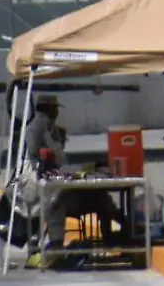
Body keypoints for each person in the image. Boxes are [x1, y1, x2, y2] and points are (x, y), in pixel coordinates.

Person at [23, 95, 124, 256]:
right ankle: (59, 244)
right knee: (69, 201)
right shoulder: (38, 128)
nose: (57, 112)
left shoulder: (47, 126)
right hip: (55, 196)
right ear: (47, 108)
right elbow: (43, 159)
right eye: (55, 108)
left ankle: (118, 229)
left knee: (101, 197)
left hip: (64, 189)